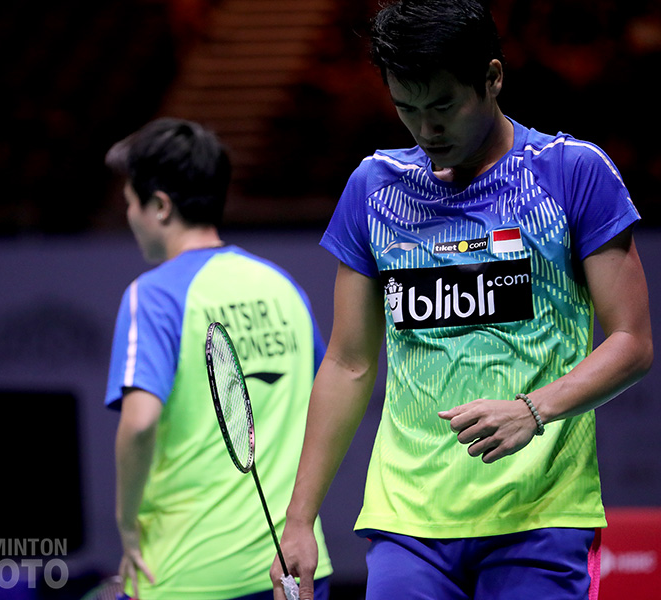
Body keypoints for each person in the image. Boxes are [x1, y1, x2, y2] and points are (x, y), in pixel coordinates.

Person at [270, 1, 653, 599]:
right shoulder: (374, 189)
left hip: (540, 515)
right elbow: (348, 363)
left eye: (443, 106)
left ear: (492, 77)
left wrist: (532, 410)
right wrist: (299, 519)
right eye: (407, 108)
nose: (427, 129)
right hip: (408, 522)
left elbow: (632, 343)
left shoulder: (571, 173)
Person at [103, 117, 332, 600]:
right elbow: (327, 406)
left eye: (130, 202)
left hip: (188, 573)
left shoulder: (154, 296)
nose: (128, 216)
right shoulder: (281, 286)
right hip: (294, 567)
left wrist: (125, 524)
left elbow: (139, 423)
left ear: (159, 206)